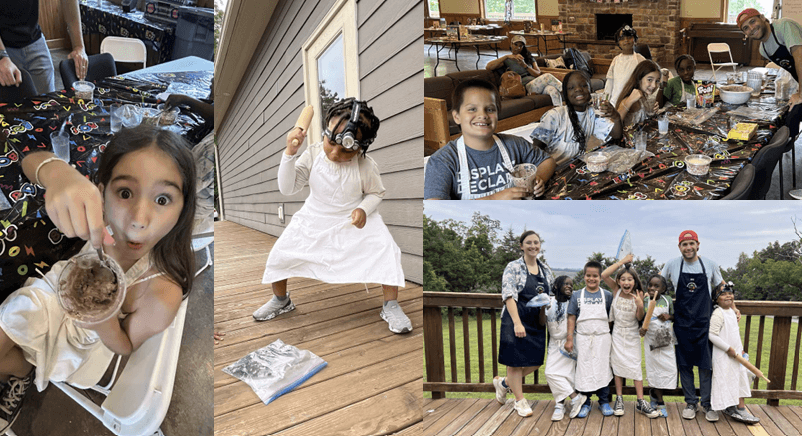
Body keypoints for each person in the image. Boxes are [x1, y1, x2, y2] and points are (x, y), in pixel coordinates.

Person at [0, 125, 196, 432]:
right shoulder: (99, 216)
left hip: (86, 345)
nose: (138, 220)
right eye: (125, 193)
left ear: (184, 207)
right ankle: (21, 369)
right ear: (101, 191)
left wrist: (103, 323)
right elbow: (28, 160)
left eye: (162, 200)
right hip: (53, 294)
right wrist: (57, 174)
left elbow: (125, 346)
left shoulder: (160, 291)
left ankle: (22, 368)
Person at [253, 98, 411, 334]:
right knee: (281, 252)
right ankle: (281, 300)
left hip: (352, 219)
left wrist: (363, 209)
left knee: (386, 250)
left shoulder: (365, 165)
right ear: (325, 131)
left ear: (360, 147)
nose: (335, 153)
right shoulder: (314, 154)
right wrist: (290, 153)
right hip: (315, 215)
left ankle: (391, 304)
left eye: (346, 150)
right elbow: (287, 188)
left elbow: (376, 193)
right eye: (331, 143)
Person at [424, 78, 556, 200]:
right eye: (472, 109)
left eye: (490, 109)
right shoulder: (442, 161)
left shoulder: (515, 145)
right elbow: (434, 209)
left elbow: (547, 161)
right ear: (456, 116)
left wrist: (539, 178)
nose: (483, 115)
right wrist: (494, 200)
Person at [660, 230, 731, 422]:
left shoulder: (709, 264)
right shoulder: (672, 264)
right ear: (679, 247)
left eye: (691, 243)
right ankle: (690, 402)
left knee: (706, 366)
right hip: (681, 323)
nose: (688, 247)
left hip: (704, 324)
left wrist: (734, 307)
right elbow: (657, 285)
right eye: (684, 244)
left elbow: (722, 288)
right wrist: (648, 303)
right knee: (685, 365)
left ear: (698, 245)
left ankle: (708, 404)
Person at [493, 231, 553, 417]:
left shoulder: (546, 270)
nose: (533, 246)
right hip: (515, 318)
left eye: (536, 242)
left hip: (537, 321)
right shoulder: (513, 267)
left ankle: (503, 383)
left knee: (535, 361)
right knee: (514, 362)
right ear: (521, 246)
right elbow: (508, 295)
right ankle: (519, 401)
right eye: (528, 242)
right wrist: (517, 323)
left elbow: (550, 296)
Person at [601, 254, 659, 418]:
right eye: (623, 279)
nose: (626, 282)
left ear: (635, 281)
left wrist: (640, 306)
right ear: (619, 281)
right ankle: (619, 399)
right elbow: (604, 275)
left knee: (634, 366)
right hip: (617, 334)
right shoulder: (616, 291)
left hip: (632, 334)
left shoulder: (639, 294)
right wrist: (622, 262)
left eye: (630, 279)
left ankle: (641, 401)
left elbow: (640, 318)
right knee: (617, 366)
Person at [530, 71, 623, 166]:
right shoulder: (555, 116)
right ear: (566, 94)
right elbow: (536, 147)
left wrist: (615, 116)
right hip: (551, 168)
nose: (578, 89)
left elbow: (616, 135)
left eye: (584, 86)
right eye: (571, 88)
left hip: (574, 166)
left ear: (591, 90)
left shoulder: (592, 114)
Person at [738, 8, 802, 137]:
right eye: (745, 28)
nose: (751, 28)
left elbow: (800, 58)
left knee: (792, 117)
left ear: (762, 18)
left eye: (752, 21)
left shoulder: (784, 26)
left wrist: (801, 94)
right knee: (786, 120)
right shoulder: (764, 50)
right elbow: (791, 67)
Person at [0, 0, 88, 94]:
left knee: (48, 100)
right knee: (10, 103)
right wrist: (2, 55)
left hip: (33, 37)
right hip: (3, 45)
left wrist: (79, 46)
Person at [564, 260, 614, 419]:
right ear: (584, 276)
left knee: (603, 369)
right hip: (583, 339)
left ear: (600, 277)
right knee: (583, 370)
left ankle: (604, 401)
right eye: (588, 276)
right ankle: (585, 403)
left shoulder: (607, 295)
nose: (591, 279)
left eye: (595, 276)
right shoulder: (577, 295)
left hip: (602, 339)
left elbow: (611, 317)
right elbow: (571, 317)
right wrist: (570, 339)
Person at [708, 283, 760, 424]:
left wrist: (740, 349)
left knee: (739, 378)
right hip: (724, 355)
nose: (728, 296)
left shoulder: (731, 312)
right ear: (716, 298)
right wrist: (728, 349)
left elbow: (734, 334)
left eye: (730, 293)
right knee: (726, 379)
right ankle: (729, 407)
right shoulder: (718, 313)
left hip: (737, 355)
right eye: (723, 294)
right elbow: (712, 335)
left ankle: (740, 408)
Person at [543, 275, 587, 421]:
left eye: (571, 284)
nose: (569, 286)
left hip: (569, 342)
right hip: (554, 343)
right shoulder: (549, 301)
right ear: (556, 286)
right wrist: (541, 308)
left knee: (566, 374)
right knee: (551, 372)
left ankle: (559, 405)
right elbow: (542, 323)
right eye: (565, 284)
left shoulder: (573, 303)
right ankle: (574, 398)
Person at [485, 35, 563, 106]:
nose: (518, 48)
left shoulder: (528, 58)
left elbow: (537, 74)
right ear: (511, 44)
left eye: (521, 46)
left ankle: (560, 115)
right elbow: (488, 67)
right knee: (548, 76)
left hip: (537, 84)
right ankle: (567, 91)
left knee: (553, 90)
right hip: (525, 87)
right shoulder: (507, 60)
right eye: (516, 45)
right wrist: (506, 57)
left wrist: (525, 65)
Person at [638, 274, 677, 418]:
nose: (652, 288)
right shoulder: (645, 300)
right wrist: (642, 328)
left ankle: (657, 396)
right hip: (651, 338)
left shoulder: (667, 300)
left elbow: (674, 315)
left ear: (664, 288)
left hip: (665, 340)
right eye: (650, 285)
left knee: (668, 368)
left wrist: (669, 317)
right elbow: (640, 317)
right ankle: (658, 400)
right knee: (654, 369)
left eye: (656, 286)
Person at [603, 25, 647, 107]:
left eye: (629, 37)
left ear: (635, 40)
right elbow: (610, 82)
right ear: (618, 43)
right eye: (622, 38)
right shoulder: (615, 60)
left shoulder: (640, 59)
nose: (626, 40)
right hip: (615, 100)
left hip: (633, 101)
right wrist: (605, 100)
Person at [615, 60, 666, 128]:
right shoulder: (628, 99)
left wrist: (653, 112)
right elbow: (613, 125)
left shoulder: (643, 97)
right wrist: (629, 101)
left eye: (657, 81)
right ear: (639, 78)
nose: (654, 85)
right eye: (649, 80)